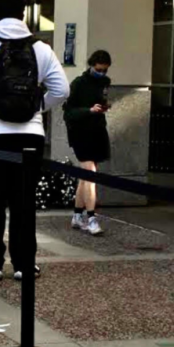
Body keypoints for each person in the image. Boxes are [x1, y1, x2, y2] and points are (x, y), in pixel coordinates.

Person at [0, 0, 69, 280]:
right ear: (24, 13)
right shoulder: (42, 49)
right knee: (24, 202)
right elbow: (61, 90)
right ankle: (24, 264)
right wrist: (36, 106)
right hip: (29, 137)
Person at [63, 50, 112, 236]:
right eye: (99, 69)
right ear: (92, 65)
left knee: (85, 175)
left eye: (105, 70)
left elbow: (102, 100)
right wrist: (89, 110)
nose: (102, 73)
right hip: (80, 132)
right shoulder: (79, 83)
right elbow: (68, 112)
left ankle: (77, 215)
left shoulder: (105, 83)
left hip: (97, 130)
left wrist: (102, 108)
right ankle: (91, 217)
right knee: (90, 173)